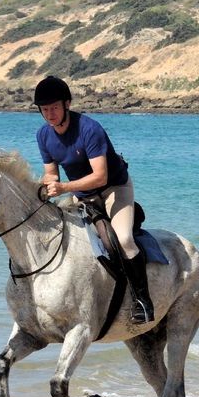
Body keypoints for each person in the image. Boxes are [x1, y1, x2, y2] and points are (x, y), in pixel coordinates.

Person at [34, 76, 154, 324]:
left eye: (54, 108)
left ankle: (143, 301)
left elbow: (100, 176)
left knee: (123, 239)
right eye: (44, 110)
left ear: (67, 104)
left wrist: (64, 187)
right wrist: (45, 187)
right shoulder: (43, 135)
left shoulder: (90, 129)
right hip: (83, 196)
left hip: (113, 188)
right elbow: (51, 174)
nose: (50, 114)